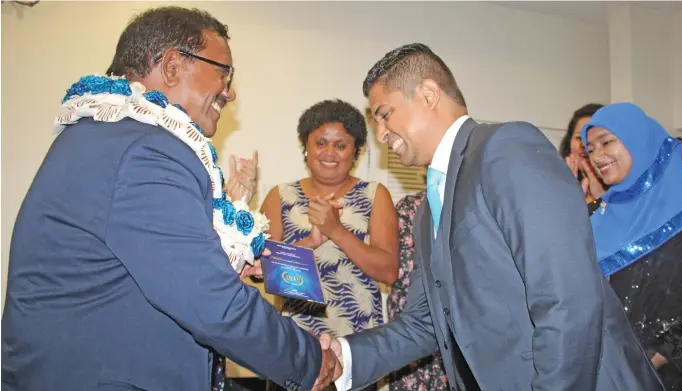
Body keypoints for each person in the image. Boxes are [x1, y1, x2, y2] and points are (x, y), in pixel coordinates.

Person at [1, 7, 339, 391]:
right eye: (224, 73)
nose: (230, 92)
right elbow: (209, 301)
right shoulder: (146, 150)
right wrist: (309, 359)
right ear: (174, 66)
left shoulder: (105, 138)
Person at [320, 42, 664, 391]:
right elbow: (425, 323)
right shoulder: (427, 211)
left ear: (427, 95)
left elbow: (567, 301)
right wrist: (343, 356)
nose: (380, 134)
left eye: (384, 114)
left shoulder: (506, 148)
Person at [581, 102, 682, 391]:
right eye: (590, 149)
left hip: (666, 379)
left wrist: (636, 369)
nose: (597, 156)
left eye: (606, 142)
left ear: (637, 140)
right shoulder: (597, 219)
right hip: (605, 371)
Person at [260, 100, 398, 384]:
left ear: (355, 151)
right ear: (306, 147)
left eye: (341, 145)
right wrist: (311, 240)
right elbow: (263, 269)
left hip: (358, 344)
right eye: (320, 142)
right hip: (296, 340)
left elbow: (388, 271)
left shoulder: (375, 195)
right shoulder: (281, 195)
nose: (329, 153)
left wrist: (336, 230)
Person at [387, 190, 449, 391]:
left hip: (460, 336)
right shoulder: (409, 207)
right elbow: (401, 277)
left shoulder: (473, 202)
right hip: (415, 330)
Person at [559, 103, 608, 214]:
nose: (584, 144)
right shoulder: (552, 183)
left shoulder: (622, 187)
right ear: (569, 142)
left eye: (592, 138)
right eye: (579, 138)